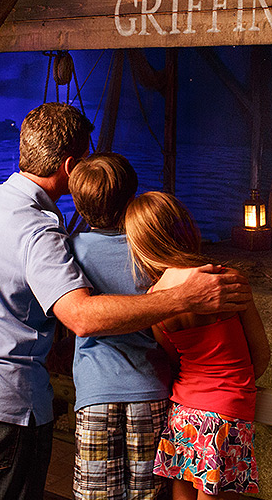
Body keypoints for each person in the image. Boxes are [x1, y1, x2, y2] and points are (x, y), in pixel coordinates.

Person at [0, 102, 251, 500]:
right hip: (20, 404)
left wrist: (58, 346)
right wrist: (182, 295)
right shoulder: (42, 233)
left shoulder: (15, 213)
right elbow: (81, 315)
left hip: (90, 397)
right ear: (69, 167)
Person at [124, 191, 270, 500]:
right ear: (186, 228)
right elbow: (261, 354)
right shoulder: (227, 280)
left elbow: (175, 359)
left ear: (141, 245)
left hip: (183, 413)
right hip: (228, 412)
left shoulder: (155, 301)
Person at [68, 153, 171, 500]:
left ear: (80, 208)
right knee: (149, 494)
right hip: (151, 390)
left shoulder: (72, 252)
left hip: (96, 395)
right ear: (132, 198)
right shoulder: (151, 250)